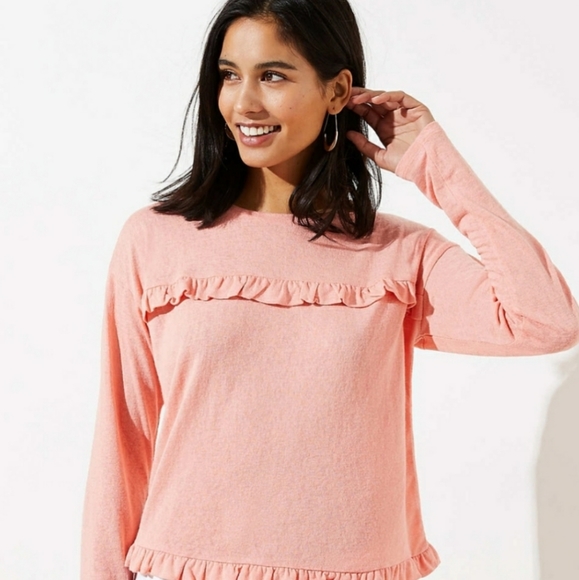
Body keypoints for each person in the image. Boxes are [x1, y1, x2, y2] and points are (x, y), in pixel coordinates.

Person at [80, 0, 579, 579]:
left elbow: (547, 320)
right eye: (229, 75)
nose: (244, 103)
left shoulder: (397, 254)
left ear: (338, 91)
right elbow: (123, 436)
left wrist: (434, 164)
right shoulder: (156, 240)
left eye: (273, 75)